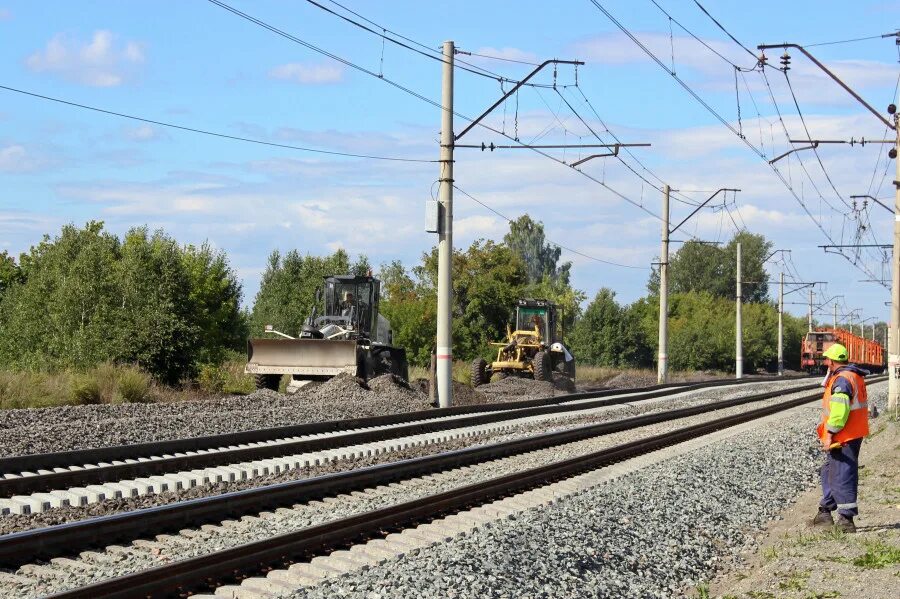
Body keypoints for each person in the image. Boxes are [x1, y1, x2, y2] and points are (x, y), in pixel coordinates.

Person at [811, 343, 869, 533]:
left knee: (843, 474)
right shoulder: (851, 376)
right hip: (851, 433)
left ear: (832, 361)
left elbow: (839, 412)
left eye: (827, 359)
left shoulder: (842, 380)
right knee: (829, 471)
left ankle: (846, 520)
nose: (825, 362)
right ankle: (825, 511)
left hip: (843, 435)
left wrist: (829, 434)